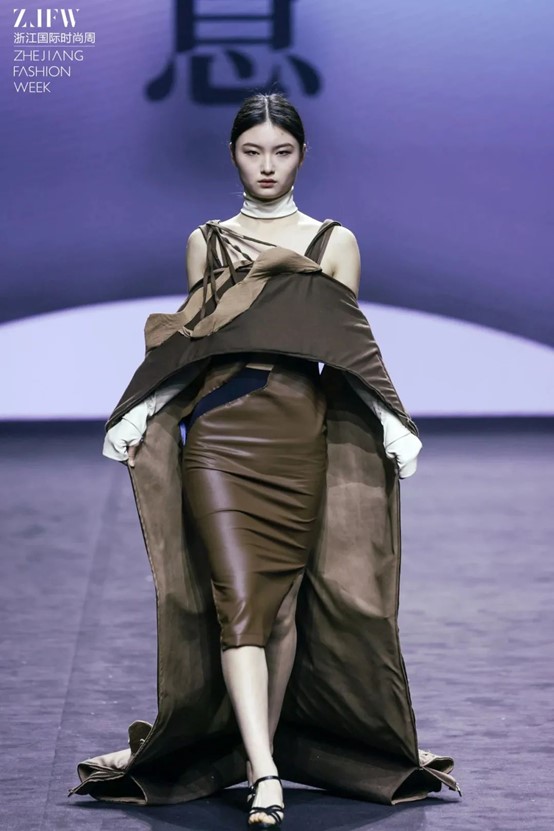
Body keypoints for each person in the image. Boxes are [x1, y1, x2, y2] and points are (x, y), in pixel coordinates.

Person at [70, 93, 460, 823]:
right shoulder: (209, 242)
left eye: (281, 151)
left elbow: (345, 348)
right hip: (219, 437)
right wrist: (142, 408)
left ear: (303, 155)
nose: (267, 165)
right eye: (253, 151)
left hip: (299, 438)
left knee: (281, 612)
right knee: (240, 604)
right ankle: (267, 774)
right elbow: (194, 342)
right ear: (233, 156)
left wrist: (390, 418)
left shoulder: (333, 243)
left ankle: (258, 757)